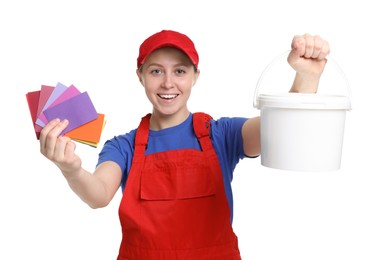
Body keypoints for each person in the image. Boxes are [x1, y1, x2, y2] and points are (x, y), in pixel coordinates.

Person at [39, 30, 330, 259]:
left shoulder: (222, 134)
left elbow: (280, 131)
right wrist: (72, 170)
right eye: (155, 71)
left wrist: (306, 76)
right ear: (140, 77)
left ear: (195, 76)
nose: (168, 83)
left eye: (179, 71)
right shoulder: (123, 147)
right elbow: (99, 194)